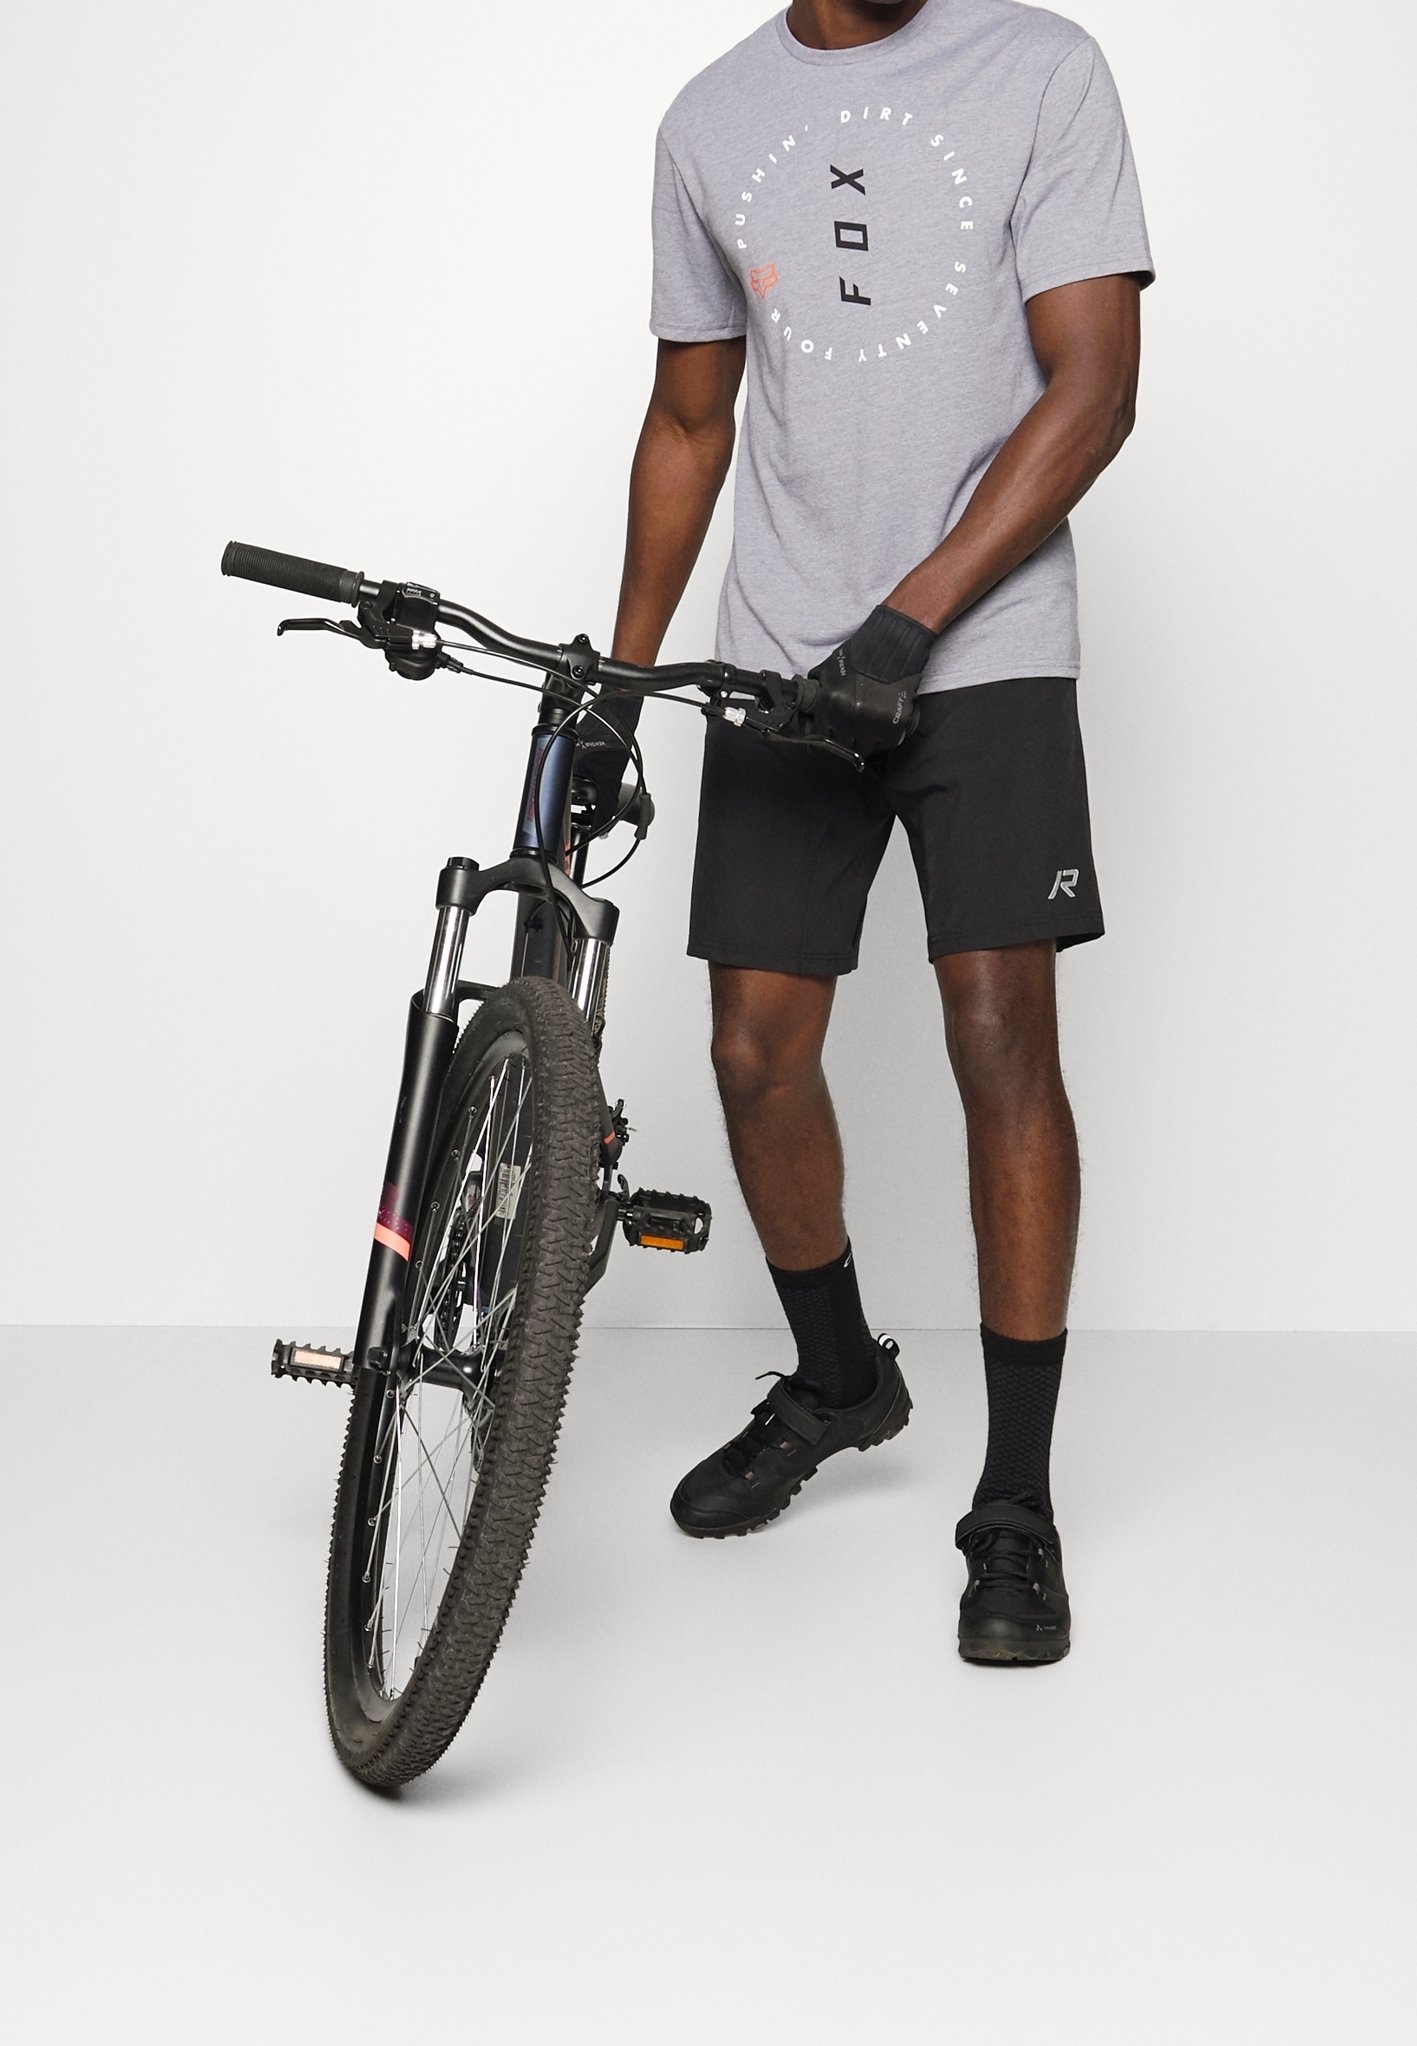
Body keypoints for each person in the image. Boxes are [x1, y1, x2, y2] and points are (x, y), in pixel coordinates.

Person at [585, 0, 1153, 1663]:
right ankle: (840, 1383)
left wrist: (908, 621)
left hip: (981, 646)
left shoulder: (1040, 71)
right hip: (778, 656)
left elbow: (1095, 388)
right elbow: (690, 420)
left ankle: (1014, 1506)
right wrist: (621, 680)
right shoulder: (708, 120)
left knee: (997, 1027)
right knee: (754, 1053)